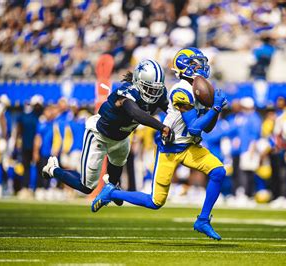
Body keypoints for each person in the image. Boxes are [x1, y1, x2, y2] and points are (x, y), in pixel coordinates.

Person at [91, 47, 228, 240]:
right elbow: (195, 128)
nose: (202, 66)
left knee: (218, 171)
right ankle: (112, 193)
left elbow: (207, 129)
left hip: (189, 147)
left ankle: (203, 220)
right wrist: (214, 108)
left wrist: (215, 109)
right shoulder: (181, 91)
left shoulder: (200, 86)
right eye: (197, 63)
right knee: (155, 201)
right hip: (170, 149)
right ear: (185, 67)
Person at [41, 59, 174, 199]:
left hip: (122, 139)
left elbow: (171, 111)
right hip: (99, 136)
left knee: (112, 185)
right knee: (86, 187)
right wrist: (162, 127)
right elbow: (136, 114)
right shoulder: (126, 93)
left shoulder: (158, 94)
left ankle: (112, 190)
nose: (153, 93)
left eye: (156, 89)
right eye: (149, 88)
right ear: (138, 82)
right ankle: (53, 169)